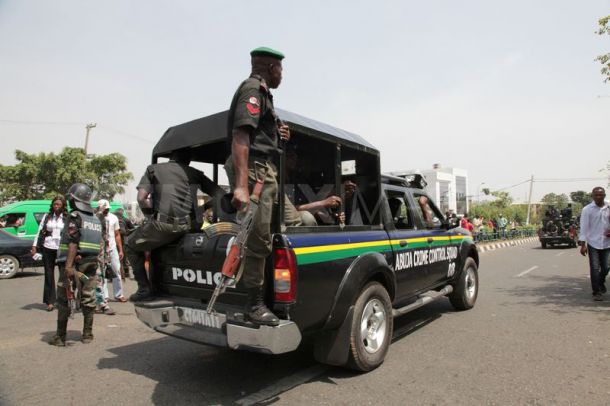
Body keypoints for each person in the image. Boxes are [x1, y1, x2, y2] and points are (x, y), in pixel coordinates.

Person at [224, 46, 289, 326]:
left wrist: (280, 132)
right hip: (254, 172)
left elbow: (261, 135)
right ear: (271, 68)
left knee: (267, 234)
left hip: (262, 169)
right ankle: (254, 304)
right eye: (281, 70)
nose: (282, 76)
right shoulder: (253, 89)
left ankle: (262, 298)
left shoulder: (264, 95)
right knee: (256, 238)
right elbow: (241, 135)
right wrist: (241, 186)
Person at [126, 148, 221, 302]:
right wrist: (201, 207)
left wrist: (151, 216)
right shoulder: (195, 173)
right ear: (188, 160)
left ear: (171, 157)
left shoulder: (154, 169)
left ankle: (144, 289)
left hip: (163, 225)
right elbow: (219, 195)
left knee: (130, 245)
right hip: (189, 227)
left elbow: (142, 198)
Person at [49, 183, 102, 346]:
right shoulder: (95, 219)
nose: (69, 201)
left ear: (74, 199)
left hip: (74, 264)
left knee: (64, 298)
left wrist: (68, 267)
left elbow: (72, 242)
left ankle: (60, 337)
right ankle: (87, 334)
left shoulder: (74, 216)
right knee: (88, 298)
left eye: (70, 198)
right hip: (91, 263)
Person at [31, 196, 67, 311]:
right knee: (48, 274)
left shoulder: (67, 217)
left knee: (64, 274)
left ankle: (63, 300)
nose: (56, 206)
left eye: (59, 205)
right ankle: (50, 301)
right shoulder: (47, 217)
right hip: (48, 246)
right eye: (54, 204)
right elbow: (39, 231)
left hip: (61, 248)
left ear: (63, 206)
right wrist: (34, 246)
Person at [578, 187, 610, 301]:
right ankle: (596, 292)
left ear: (604, 195)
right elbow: (584, 227)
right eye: (596, 195)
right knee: (595, 268)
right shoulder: (587, 209)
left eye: (600, 195)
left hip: (607, 243)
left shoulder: (608, 206)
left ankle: (600, 283)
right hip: (593, 243)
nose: (598, 197)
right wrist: (583, 245)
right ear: (592, 196)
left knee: (606, 267)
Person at [96, 199, 127, 303]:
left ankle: (119, 295)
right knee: (102, 273)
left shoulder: (114, 218)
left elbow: (117, 234)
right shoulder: (95, 218)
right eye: (104, 209)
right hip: (100, 249)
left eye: (107, 209)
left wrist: (120, 250)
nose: (106, 210)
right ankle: (105, 296)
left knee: (116, 270)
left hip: (112, 248)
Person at [114, 208, 134, 278]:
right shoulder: (126, 219)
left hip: (114, 240)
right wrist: (127, 232)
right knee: (124, 257)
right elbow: (133, 228)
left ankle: (115, 273)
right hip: (124, 240)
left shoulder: (113, 219)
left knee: (114, 257)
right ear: (122, 213)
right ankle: (126, 272)